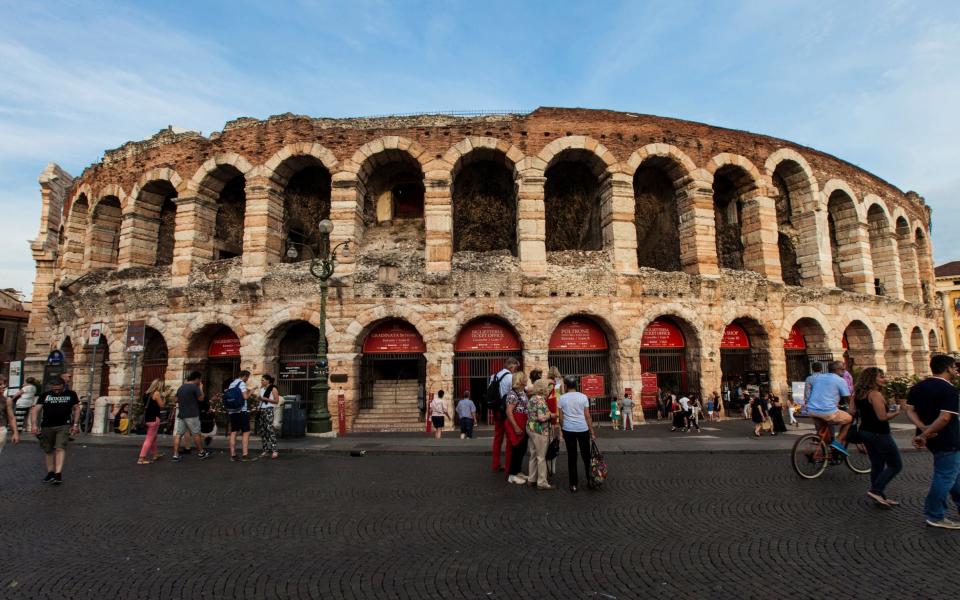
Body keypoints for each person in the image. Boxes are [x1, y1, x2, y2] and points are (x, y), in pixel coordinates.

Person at [905, 355, 960, 529]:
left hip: (933, 439)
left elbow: (909, 410)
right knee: (944, 476)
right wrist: (926, 433)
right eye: (954, 367)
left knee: (955, 475)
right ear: (948, 368)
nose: (956, 370)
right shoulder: (949, 390)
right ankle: (935, 515)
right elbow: (944, 418)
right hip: (947, 438)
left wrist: (922, 429)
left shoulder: (918, 387)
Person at [853, 367, 902, 509]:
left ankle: (879, 497)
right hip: (879, 433)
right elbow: (882, 417)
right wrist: (896, 413)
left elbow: (852, 411)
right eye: (881, 377)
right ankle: (876, 490)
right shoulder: (875, 394)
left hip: (865, 431)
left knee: (877, 464)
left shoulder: (857, 394)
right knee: (895, 465)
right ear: (872, 379)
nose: (884, 379)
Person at [29, 378, 79, 484]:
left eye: (59, 389)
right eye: (54, 389)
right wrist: (34, 425)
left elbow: (77, 408)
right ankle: (50, 473)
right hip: (46, 426)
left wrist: (75, 424)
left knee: (60, 448)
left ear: (63, 385)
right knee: (48, 450)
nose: (56, 391)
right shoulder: (45, 395)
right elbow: (36, 410)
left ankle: (58, 474)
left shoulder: (71, 394)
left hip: (64, 425)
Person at [802, 360, 853, 456]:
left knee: (826, 435)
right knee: (849, 420)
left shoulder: (819, 378)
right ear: (837, 370)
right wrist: (853, 408)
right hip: (827, 411)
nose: (844, 371)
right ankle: (837, 442)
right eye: (843, 369)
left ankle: (825, 453)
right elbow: (847, 398)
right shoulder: (840, 380)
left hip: (812, 410)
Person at [559, 375, 597, 492]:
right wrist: (592, 432)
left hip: (568, 429)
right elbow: (587, 416)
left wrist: (563, 429)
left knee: (572, 457)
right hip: (582, 429)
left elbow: (561, 417)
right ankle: (590, 480)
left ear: (565, 385)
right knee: (586, 456)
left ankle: (573, 484)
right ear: (576, 385)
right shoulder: (583, 397)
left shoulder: (562, 398)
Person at [172, 371, 211, 462]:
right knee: (196, 434)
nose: (200, 381)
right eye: (200, 379)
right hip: (192, 414)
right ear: (197, 378)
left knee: (178, 434)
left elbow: (175, 400)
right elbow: (201, 399)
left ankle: (175, 455)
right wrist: (201, 388)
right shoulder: (194, 387)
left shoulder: (181, 387)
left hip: (181, 414)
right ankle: (201, 452)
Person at [490, 357, 519, 472]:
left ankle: (496, 464)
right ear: (511, 366)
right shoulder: (510, 377)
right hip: (507, 410)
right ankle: (508, 466)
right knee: (510, 438)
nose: (515, 370)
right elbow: (514, 393)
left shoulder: (493, 376)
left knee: (498, 438)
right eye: (515, 367)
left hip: (496, 410)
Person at [526, 379, 555, 490]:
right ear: (543, 388)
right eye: (547, 387)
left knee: (533, 455)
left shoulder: (532, 399)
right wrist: (551, 415)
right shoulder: (541, 400)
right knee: (541, 457)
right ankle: (542, 481)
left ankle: (531, 479)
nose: (548, 389)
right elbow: (541, 417)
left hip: (530, 429)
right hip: (540, 431)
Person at [505, 371, 529, 485]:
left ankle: (518, 471)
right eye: (525, 377)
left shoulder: (523, 391)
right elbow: (509, 411)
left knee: (522, 449)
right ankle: (512, 475)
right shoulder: (512, 394)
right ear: (520, 380)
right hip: (517, 423)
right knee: (516, 449)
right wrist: (515, 427)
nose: (527, 378)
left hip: (523, 422)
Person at [226, 370, 254, 461]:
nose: (247, 379)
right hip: (241, 411)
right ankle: (245, 455)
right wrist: (251, 391)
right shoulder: (242, 383)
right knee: (246, 432)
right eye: (248, 377)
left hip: (232, 411)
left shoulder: (232, 383)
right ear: (245, 376)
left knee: (234, 432)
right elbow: (245, 397)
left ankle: (233, 455)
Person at [137, 379, 166, 465]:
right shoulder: (156, 393)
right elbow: (162, 405)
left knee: (154, 437)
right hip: (154, 419)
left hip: (147, 418)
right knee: (149, 439)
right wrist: (164, 397)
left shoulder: (146, 393)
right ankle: (141, 458)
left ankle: (155, 454)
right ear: (159, 386)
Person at [257, 374, 281, 459]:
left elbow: (276, 400)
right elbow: (261, 400)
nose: (261, 381)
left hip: (269, 410)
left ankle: (275, 450)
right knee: (263, 431)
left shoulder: (273, 388)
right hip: (262, 410)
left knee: (270, 430)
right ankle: (265, 450)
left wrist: (264, 399)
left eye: (263, 380)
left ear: (268, 381)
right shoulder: (262, 389)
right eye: (261, 380)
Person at [545, 366, 563, 476]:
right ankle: (558, 438)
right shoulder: (560, 381)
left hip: (550, 403)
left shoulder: (547, 382)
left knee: (550, 423)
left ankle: (551, 436)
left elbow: (546, 394)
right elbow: (563, 393)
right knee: (557, 424)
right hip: (558, 403)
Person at [0, 383, 19, 456]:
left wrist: (15, 433)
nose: (3, 386)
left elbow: (11, 417)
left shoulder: (7, 400)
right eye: (0, 384)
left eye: (3, 384)